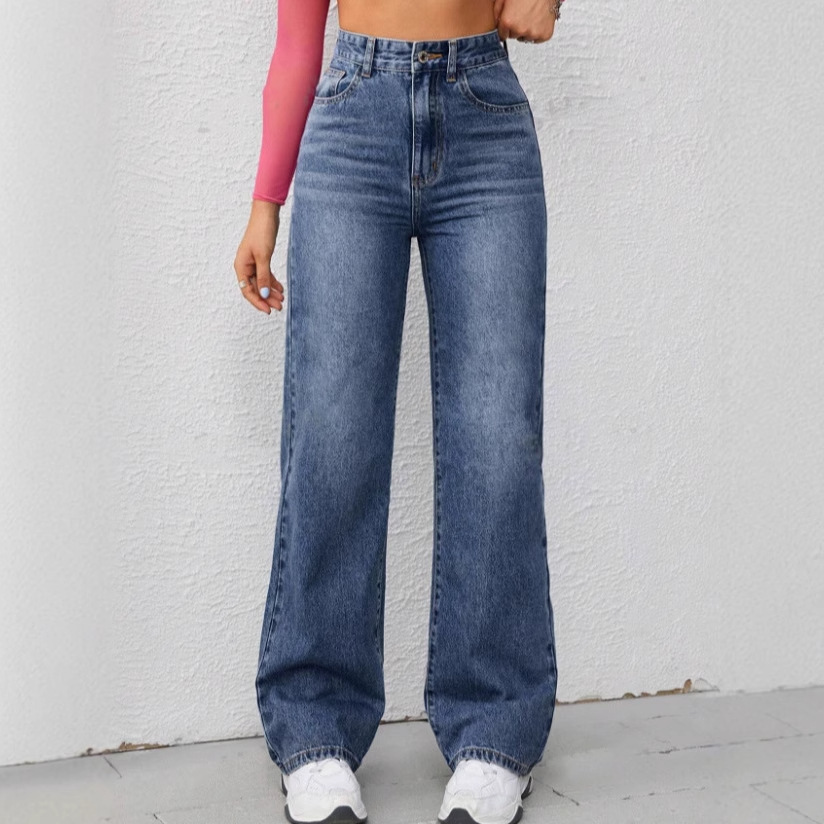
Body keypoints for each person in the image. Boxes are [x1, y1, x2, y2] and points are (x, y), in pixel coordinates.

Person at [234, 1, 564, 822]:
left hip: (485, 118)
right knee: (332, 437)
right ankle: (314, 730)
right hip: (351, 124)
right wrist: (266, 202)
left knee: (498, 437)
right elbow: (297, 40)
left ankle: (494, 732)